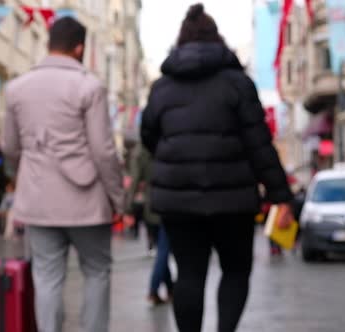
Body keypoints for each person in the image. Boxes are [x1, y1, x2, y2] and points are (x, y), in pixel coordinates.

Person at [141, 4, 294, 332]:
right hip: (233, 200)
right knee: (236, 271)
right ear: (218, 41)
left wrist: (177, 158)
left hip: (179, 201)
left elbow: (149, 137)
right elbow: (259, 145)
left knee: (189, 273)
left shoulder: (161, 88)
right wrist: (282, 197)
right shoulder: (238, 83)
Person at [1, 17, 124, 332]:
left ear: (48, 44)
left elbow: (10, 147)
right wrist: (116, 198)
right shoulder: (89, 86)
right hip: (86, 200)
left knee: (46, 277)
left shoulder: (16, 88)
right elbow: (103, 151)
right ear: (80, 47)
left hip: (38, 199)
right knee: (97, 271)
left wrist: (29, 174)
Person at [126, 143, 174, 306]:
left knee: (162, 250)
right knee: (163, 251)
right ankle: (153, 290)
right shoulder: (168, 142)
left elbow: (134, 181)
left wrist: (127, 207)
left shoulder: (141, 151)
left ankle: (170, 289)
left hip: (150, 207)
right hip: (169, 203)